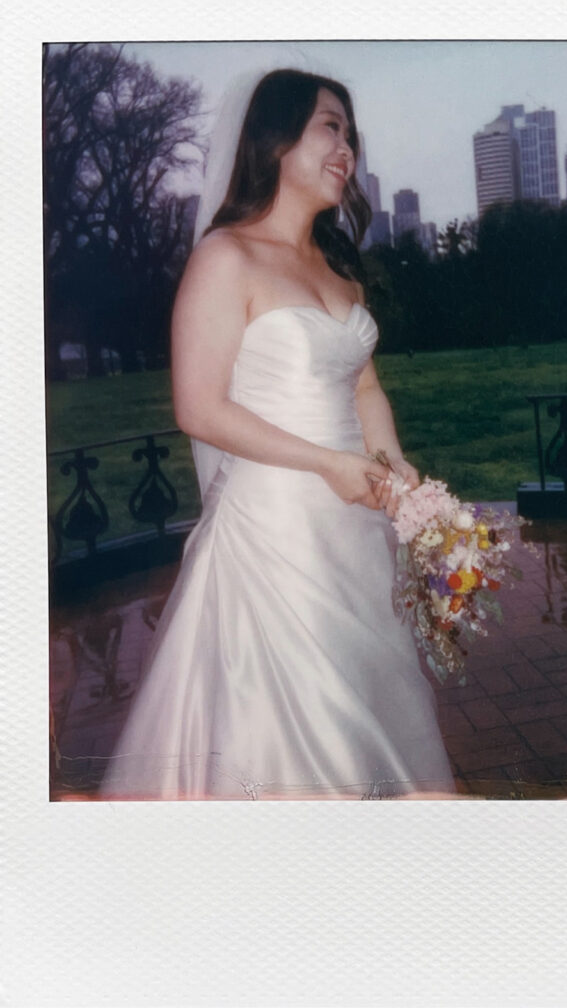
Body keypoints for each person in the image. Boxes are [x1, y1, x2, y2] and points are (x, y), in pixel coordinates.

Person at [100, 69, 455, 799]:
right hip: (273, 530)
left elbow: (363, 386)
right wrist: (326, 463)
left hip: (351, 526)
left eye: (350, 135)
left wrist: (395, 469)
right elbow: (197, 408)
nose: (346, 148)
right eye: (330, 127)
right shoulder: (224, 257)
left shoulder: (337, 268)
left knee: (371, 702)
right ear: (276, 138)